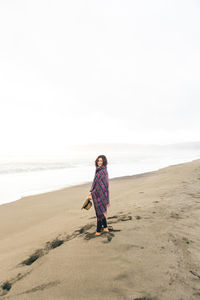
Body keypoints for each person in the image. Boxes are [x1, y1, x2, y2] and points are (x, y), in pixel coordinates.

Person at [87, 155, 110, 236]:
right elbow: (95, 182)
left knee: (99, 212)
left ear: (104, 162)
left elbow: (105, 185)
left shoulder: (104, 171)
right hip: (96, 194)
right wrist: (90, 192)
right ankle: (105, 228)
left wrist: (94, 192)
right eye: (98, 161)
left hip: (101, 195)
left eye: (101, 161)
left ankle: (98, 230)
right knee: (100, 212)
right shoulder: (97, 170)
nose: (99, 162)